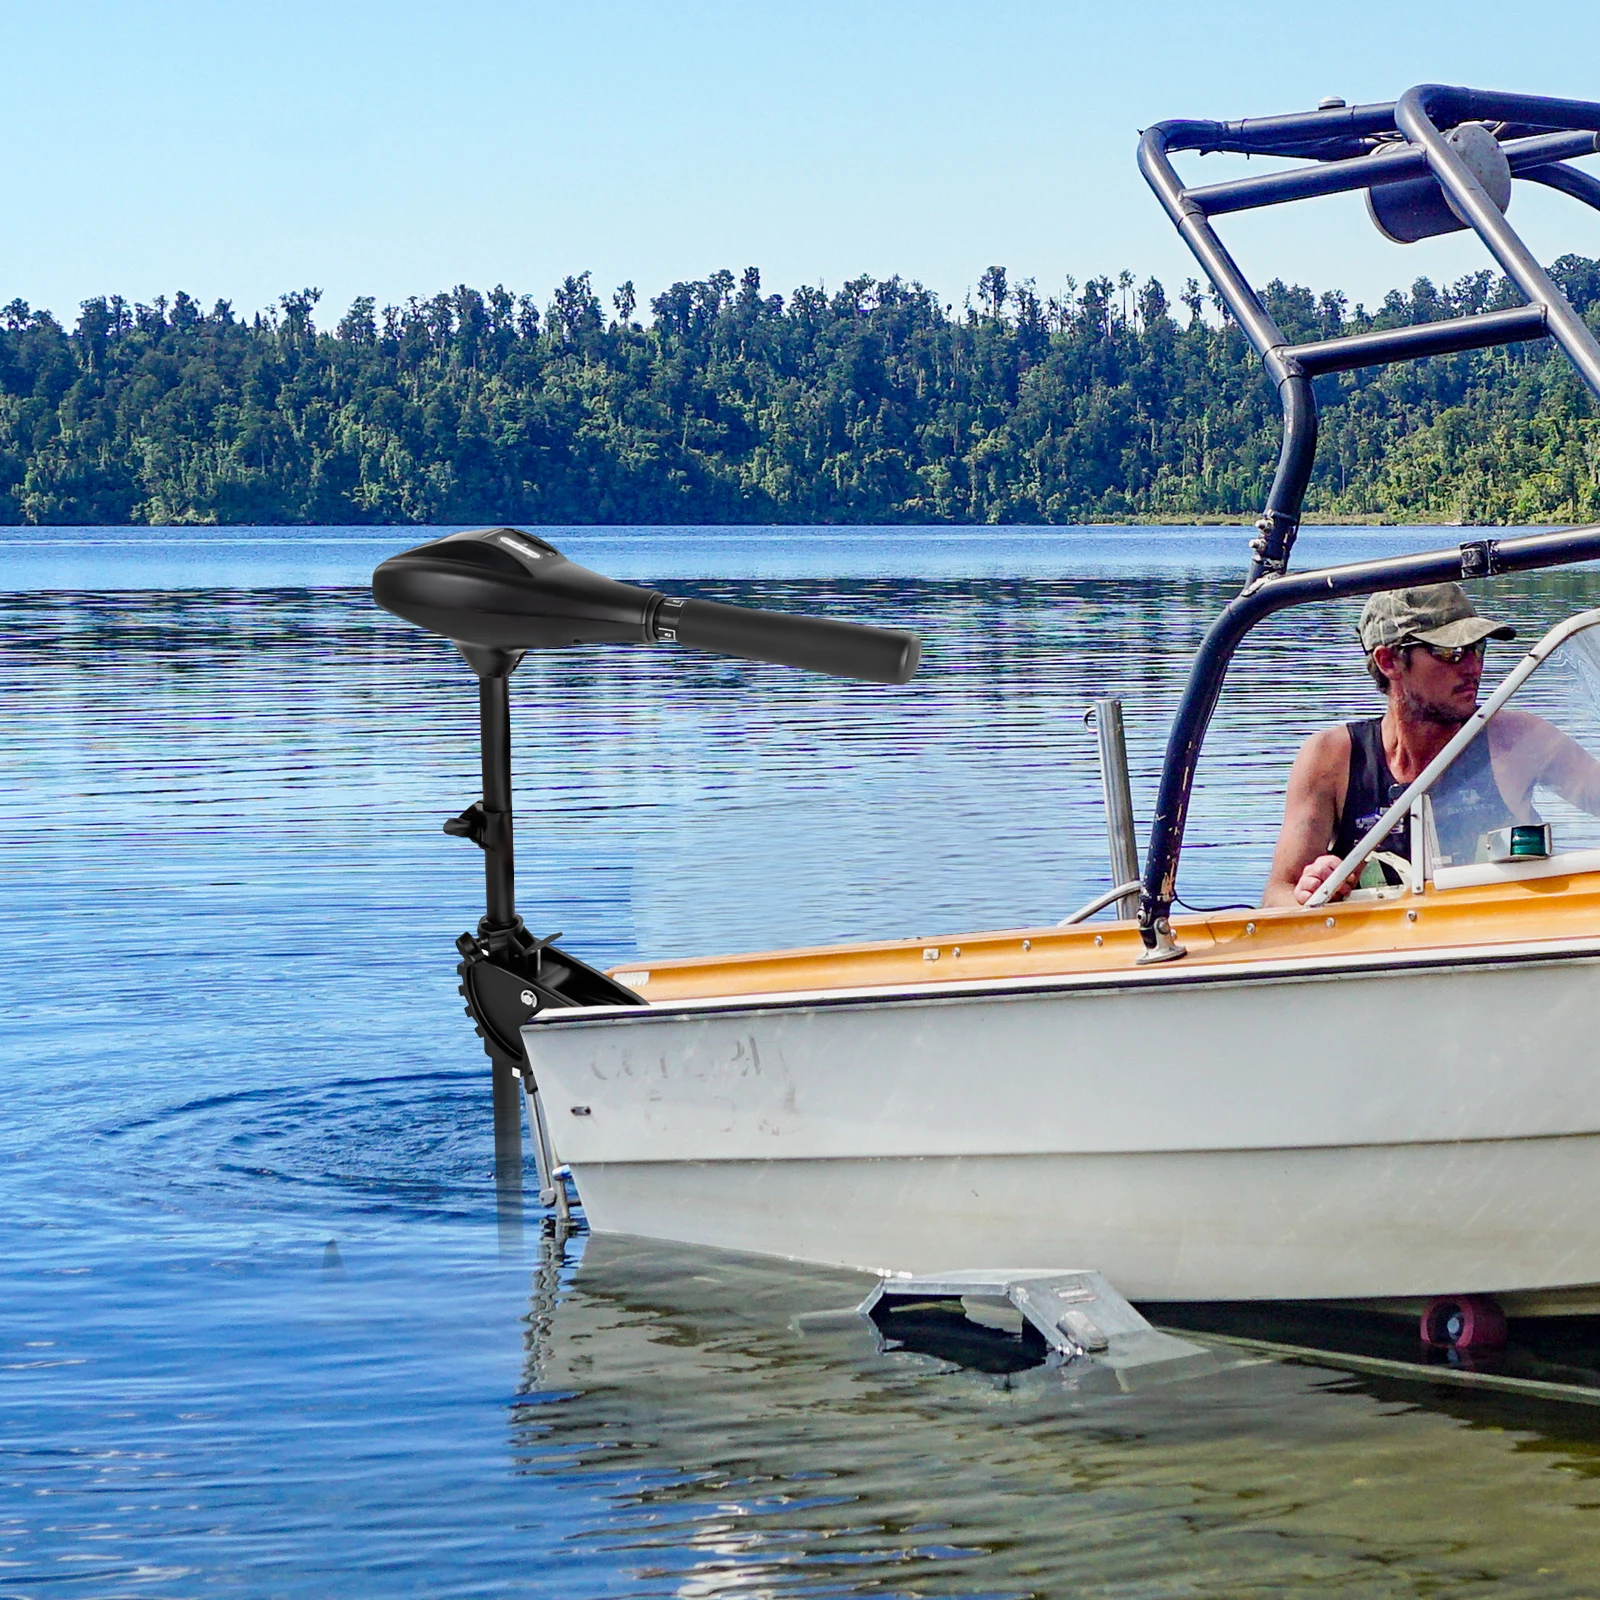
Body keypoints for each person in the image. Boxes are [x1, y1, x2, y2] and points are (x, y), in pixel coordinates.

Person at [1263, 583, 1600, 907]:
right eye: (1450, 652)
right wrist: (1310, 890)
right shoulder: (1331, 759)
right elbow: (1276, 897)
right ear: (1388, 661)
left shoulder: (1518, 741)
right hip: (1391, 957)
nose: (1474, 667)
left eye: (1478, 648)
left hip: (1506, 946)